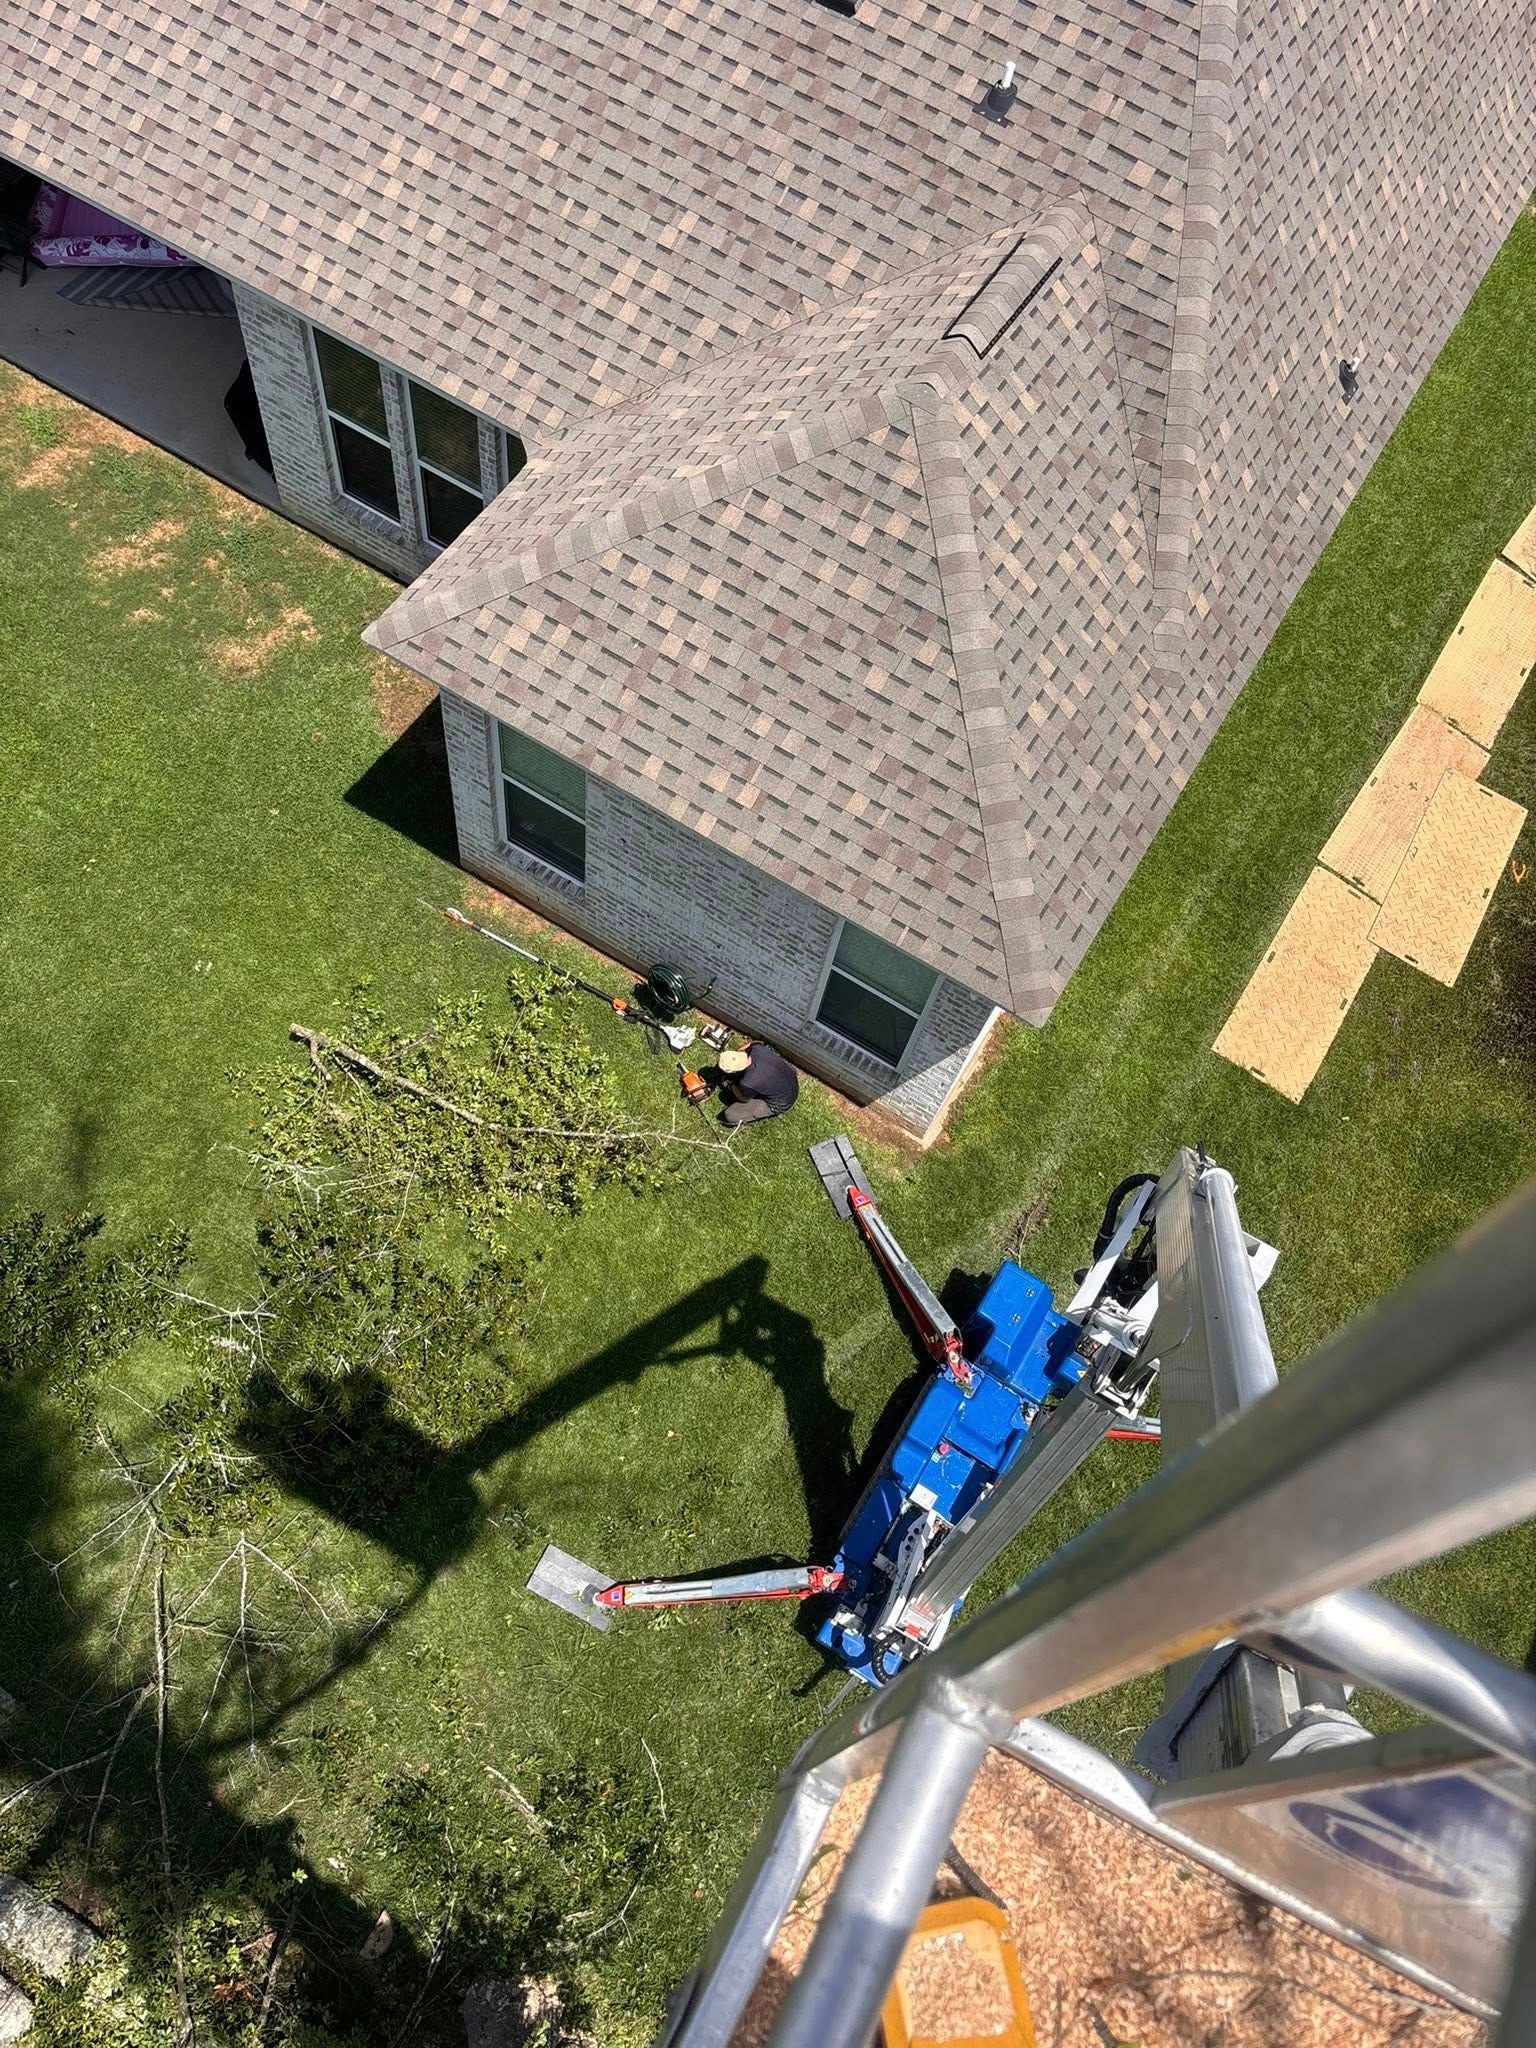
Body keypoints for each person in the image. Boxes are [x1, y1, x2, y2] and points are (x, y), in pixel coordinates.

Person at [716, 1042, 799, 1128]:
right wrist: (738, 1054)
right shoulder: (757, 1048)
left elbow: (744, 1099)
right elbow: (752, 1043)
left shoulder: (748, 1083)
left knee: (730, 1115)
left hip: (782, 1102)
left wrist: (731, 1085)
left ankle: (769, 1108)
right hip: (790, 1078)